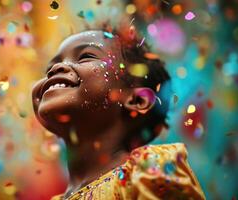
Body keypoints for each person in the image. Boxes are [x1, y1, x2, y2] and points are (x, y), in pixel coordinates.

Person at [31, 24, 205, 199]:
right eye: (49, 69)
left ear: (137, 100)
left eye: (86, 56)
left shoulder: (149, 171)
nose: (56, 68)